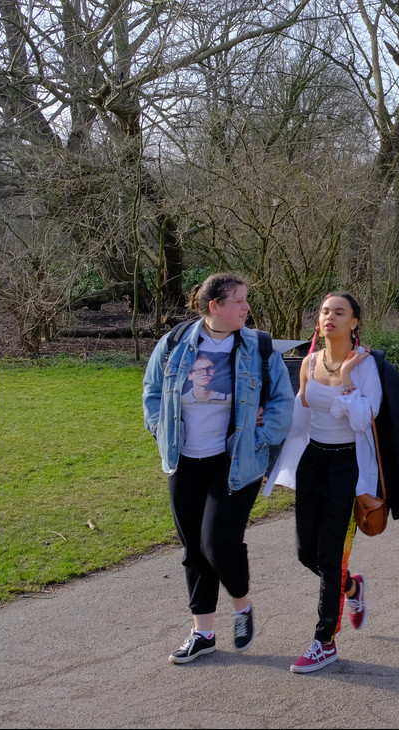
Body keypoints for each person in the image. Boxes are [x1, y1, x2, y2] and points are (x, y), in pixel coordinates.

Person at [143, 272, 294, 665]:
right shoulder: (175, 343)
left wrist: (260, 440)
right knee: (194, 548)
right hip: (183, 462)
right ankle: (203, 633)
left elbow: (282, 402)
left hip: (234, 463)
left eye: (247, 300)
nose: (246, 307)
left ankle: (241, 604)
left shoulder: (259, 347)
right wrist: (161, 430)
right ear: (215, 306)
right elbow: (153, 391)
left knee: (217, 542)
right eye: (239, 300)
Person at [263, 292, 381, 673]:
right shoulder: (309, 362)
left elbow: (364, 419)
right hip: (313, 462)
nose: (330, 317)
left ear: (354, 323)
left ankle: (324, 641)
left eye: (339, 312)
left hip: (347, 467)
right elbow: (302, 416)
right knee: (306, 554)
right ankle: (351, 587)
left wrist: (346, 378)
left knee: (330, 557)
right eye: (325, 311)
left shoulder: (364, 366)